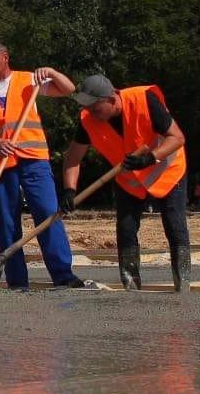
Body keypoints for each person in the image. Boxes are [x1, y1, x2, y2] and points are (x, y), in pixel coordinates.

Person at [0, 40, 97, 291]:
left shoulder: (28, 80)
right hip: (0, 164)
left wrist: (51, 72)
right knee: (5, 222)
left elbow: (68, 89)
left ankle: (63, 275)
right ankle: (17, 282)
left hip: (33, 159)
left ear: (5, 58)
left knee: (47, 213)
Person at [63, 73, 190, 291]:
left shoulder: (144, 100)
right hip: (128, 181)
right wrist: (69, 190)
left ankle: (183, 283)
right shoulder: (87, 120)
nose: (90, 113)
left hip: (167, 173)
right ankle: (131, 287)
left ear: (112, 99)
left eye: (95, 107)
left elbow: (177, 137)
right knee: (126, 229)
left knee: (175, 226)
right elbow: (72, 158)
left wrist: (149, 158)